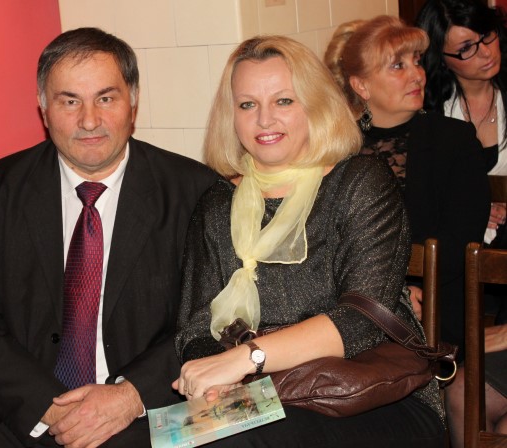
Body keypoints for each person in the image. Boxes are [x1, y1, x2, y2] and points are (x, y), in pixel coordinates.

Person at [173, 35, 446, 447]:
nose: (265, 120)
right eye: (247, 105)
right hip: (262, 393)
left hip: (373, 390)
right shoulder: (216, 204)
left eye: (284, 101)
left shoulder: (360, 182)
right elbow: (196, 327)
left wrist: (246, 358)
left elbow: (363, 320)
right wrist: (215, 380)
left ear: (316, 105)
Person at [0, 27, 218, 448]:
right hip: (25, 415)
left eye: (106, 98)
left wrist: (130, 396)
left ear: (133, 100)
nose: (89, 121)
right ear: (43, 107)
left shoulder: (194, 191)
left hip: (148, 413)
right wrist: (50, 407)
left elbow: (211, 320)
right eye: (69, 101)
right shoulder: (0, 189)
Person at [324, 14, 489, 363]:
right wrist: (387, 294)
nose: (417, 74)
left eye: (416, 61)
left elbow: (459, 243)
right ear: (361, 86)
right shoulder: (336, 150)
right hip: (352, 306)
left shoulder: (454, 141)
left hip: (434, 304)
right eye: (398, 66)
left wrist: (403, 293)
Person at [417, 0, 507, 247]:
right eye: (466, 48)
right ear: (441, 58)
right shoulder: (428, 112)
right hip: (455, 246)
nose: (486, 52)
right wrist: (474, 209)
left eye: (486, 35)